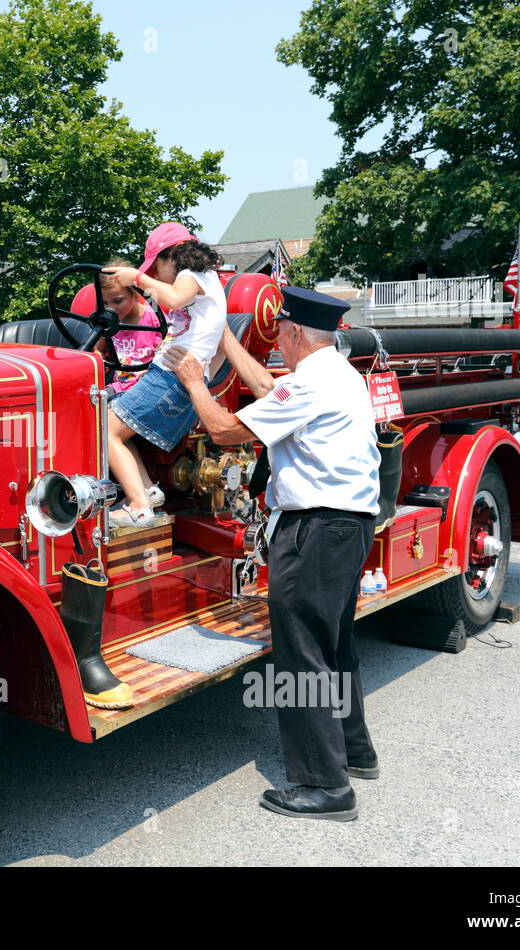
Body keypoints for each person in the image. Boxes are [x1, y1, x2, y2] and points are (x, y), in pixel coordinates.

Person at [163, 286, 381, 821]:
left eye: (279, 335)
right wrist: (225, 339)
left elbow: (222, 429)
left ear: (295, 334)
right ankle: (354, 752)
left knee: (302, 653)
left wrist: (194, 380)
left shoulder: (310, 383)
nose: (275, 345)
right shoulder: (338, 374)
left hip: (313, 529)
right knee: (334, 644)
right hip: (348, 527)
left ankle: (324, 787)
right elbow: (265, 386)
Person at [100, 223, 228, 529]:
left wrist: (138, 278)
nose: (155, 276)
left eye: (156, 267)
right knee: (114, 421)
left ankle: (139, 506)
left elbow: (173, 299)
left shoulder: (191, 276)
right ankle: (147, 492)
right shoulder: (208, 281)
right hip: (175, 378)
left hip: (170, 378)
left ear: (172, 256)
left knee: (104, 429)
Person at [89, 260, 164, 395]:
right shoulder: (107, 322)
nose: (111, 308)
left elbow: (169, 349)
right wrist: (100, 360)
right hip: (118, 386)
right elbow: (98, 350)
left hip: (149, 386)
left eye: (118, 301)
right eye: (105, 303)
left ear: (134, 295)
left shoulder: (154, 319)